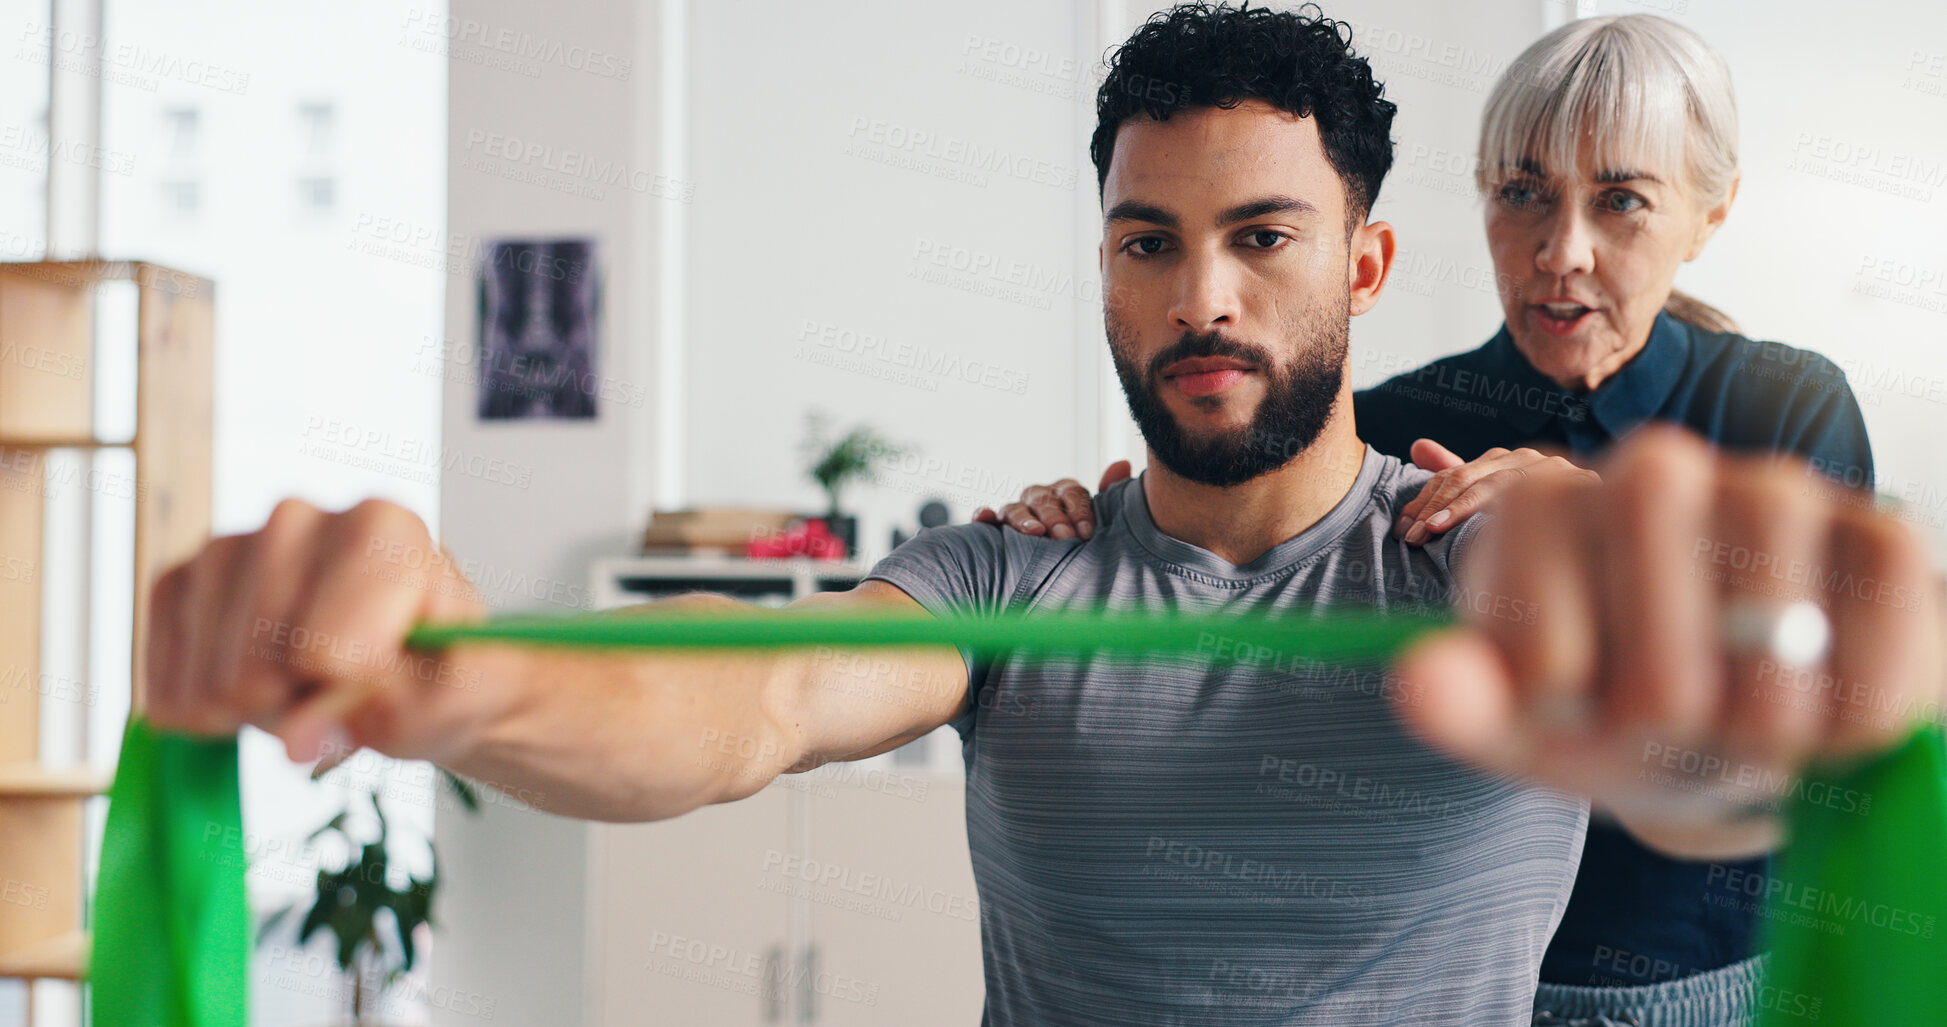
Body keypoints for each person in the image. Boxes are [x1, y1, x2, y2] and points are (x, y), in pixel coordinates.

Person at [147, 6, 1940, 1025]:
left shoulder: (1458, 538)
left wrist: (1706, 633)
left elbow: (1640, 690)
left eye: (1261, 237)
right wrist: (459, 664)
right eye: (1148, 240)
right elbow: (756, 694)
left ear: (1366, 264)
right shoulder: (1010, 570)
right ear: (1103, 262)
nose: (1203, 299)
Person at [983, 14, 1876, 1024]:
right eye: (1522, 194)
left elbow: (1806, 724)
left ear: (1710, 214)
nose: (1561, 251)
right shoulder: (1396, 426)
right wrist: (1084, 536)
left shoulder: (1785, 407)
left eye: (1621, 200)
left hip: (1709, 979)